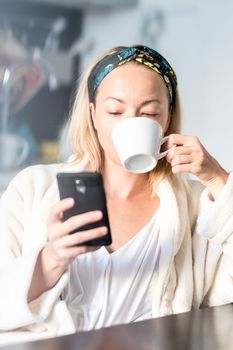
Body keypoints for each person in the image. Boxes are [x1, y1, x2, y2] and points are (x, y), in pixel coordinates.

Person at [0, 45, 233, 344]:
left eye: (148, 112)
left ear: (167, 118)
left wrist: (219, 180)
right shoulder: (32, 190)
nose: (130, 123)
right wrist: (51, 259)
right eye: (115, 111)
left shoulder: (196, 206)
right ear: (94, 115)